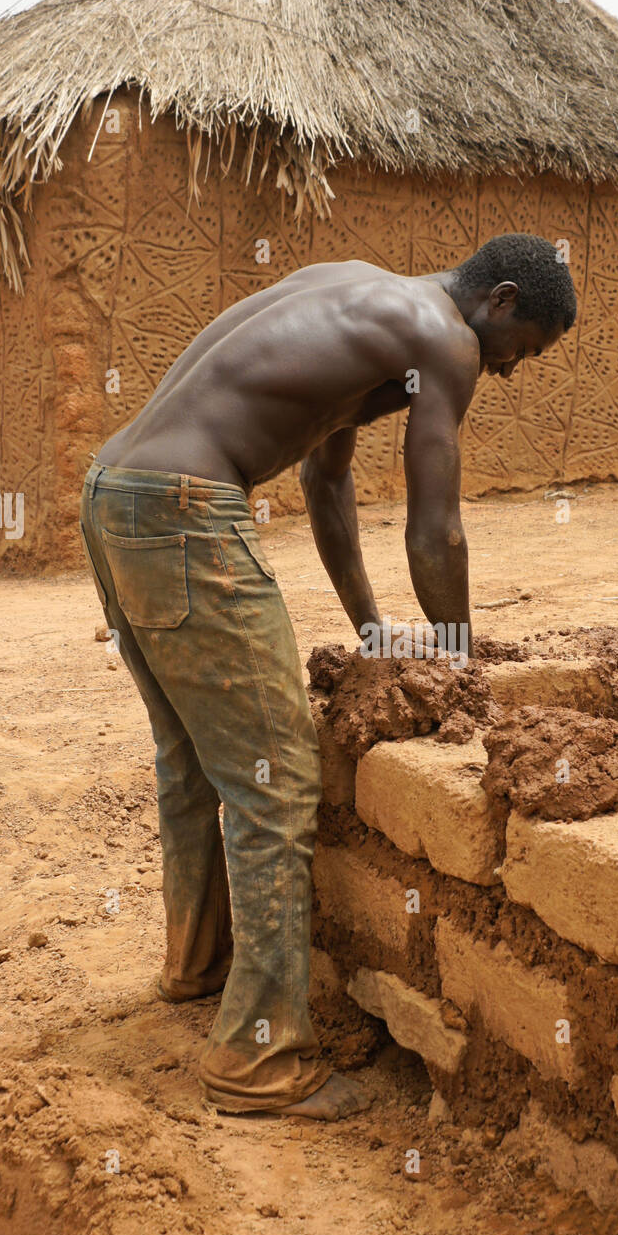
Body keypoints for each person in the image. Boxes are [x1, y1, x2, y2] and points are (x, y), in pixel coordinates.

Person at [78, 232, 577, 1120]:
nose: (507, 371)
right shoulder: (446, 341)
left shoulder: (361, 292)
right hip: (187, 512)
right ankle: (257, 1060)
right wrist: (459, 669)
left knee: (191, 755)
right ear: (499, 302)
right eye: (524, 350)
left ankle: (198, 969)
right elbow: (437, 531)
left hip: (116, 491)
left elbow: (325, 479)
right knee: (278, 781)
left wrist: (375, 630)